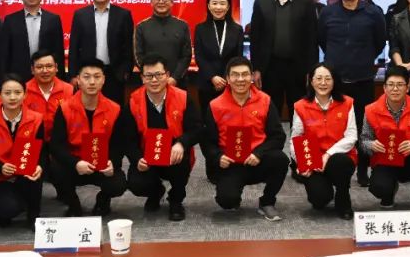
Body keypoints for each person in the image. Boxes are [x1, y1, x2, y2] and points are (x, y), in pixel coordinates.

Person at [319, 0, 386, 186]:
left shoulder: (373, 13)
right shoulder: (327, 13)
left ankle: (363, 168)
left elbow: (379, 42)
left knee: (363, 126)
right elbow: (322, 40)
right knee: (334, 126)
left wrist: (363, 58)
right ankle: (335, 166)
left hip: (362, 79)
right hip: (335, 82)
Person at [201, 57, 288, 221]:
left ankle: (267, 201)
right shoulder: (215, 105)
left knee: (281, 160)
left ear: (252, 77)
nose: (240, 79)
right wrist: (218, 157)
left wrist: (259, 153)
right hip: (230, 164)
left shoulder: (265, 100)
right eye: (235, 75)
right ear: (227, 79)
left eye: (245, 74)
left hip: (256, 160)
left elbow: (278, 136)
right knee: (227, 201)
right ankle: (233, 192)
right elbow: (207, 141)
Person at [124, 54, 201, 221]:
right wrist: (137, 159)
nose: (154, 80)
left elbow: (197, 129)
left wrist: (181, 144)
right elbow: (128, 139)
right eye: (149, 76)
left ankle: (176, 200)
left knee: (181, 165)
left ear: (167, 75)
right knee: (136, 183)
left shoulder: (183, 97)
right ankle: (155, 192)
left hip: (175, 154)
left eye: (158, 75)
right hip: (146, 156)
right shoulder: (133, 101)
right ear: (142, 78)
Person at [50, 59, 128, 216]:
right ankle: (73, 204)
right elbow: (56, 145)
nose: (92, 82)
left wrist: (112, 162)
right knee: (54, 170)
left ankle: (103, 200)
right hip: (76, 164)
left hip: (102, 164)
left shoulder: (115, 109)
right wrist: (75, 163)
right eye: (86, 77)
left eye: (97, 77)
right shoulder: (65, 108)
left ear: (103, 80)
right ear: (78, 80)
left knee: (118, 184)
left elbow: (119, 144)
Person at [360, 66, 410, 217]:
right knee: (379, 188)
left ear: (408, 87)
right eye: (391, 84)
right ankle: (389, 192)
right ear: (384, 87)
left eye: (400, 85)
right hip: (385, 161)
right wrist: (371, 145)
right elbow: (364, 140)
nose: (395, 89)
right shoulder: (371, 110)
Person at [249, 0, 320, 118]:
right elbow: (255, 38)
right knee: (271, 111)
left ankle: (298, 136)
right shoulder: (261, 2)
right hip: (270, 67)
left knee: (299, 111)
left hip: (298, 67)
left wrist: (311, 70)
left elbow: (312, 39)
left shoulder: (306, 2)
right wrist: (256, 68)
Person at [0, 75, 45, 227]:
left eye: (17, 92)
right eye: (7, 93)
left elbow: (43, 151)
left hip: (26, 174)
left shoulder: (36, 119)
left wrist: (39, 166)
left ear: (25, 95)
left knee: (35, 176)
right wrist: (0, 167)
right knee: (8, 209)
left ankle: (34, 214)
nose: (12, 97)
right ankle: (5, 204)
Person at [290, 63, 357, 220]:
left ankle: (343, 198)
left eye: (328, 78)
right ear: (311, 81)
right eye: (318, 78)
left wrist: (328, 154)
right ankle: (323, 188)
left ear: (334, 81)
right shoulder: (300, 106)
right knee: (319, 200)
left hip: (338, 158)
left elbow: (351, 136)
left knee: (341, 162)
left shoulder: (347, 103)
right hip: (313, 160)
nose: (323, 83)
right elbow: (295, 138)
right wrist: (302, 162)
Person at [68, 0, 134, 103]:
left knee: (115, 110)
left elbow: (128, 46)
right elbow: (74, 47)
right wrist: (73, 75)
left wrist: (125, 72)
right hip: (87, 74)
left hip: (114, 74)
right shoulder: (80, 15)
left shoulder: (123, 15)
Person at [0, 0, 66, 80]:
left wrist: (60, 78)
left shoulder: (53, 19)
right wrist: (3, 78)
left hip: (46, 73)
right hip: (18, 75)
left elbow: (58, 51)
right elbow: (5, 53)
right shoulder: (10, 20)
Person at [134, 0, 192, 88]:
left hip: (177, 82)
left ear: (172, 2)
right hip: (151, 83)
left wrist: (174, 78)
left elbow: (186, 55)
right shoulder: (141, 27)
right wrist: (152, 77)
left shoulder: (182, 25)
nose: (161, 2)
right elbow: (138, 55)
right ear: (151, 2)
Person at [193, 0, 243, 106]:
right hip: (207, 82)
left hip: (230, 82)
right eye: (214, 3)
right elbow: (199, 56)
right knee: (207, 114)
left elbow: (238, 57)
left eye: (222, 3)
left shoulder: (237, 29)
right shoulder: (200, 28)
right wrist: (212, 77)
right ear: (208, 6)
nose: (218, 7)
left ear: (228, 6)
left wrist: (226, 77)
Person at [24, 49, 74, 134]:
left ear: (56, 67)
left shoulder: (69, 90)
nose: (45, 71)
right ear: (32, 70)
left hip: (61, 137)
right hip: (31, 137)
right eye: (39, 67)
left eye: (49, 66)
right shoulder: (23, 90)